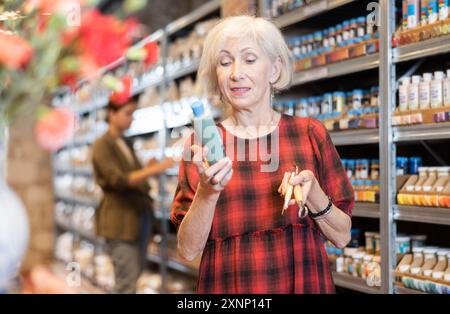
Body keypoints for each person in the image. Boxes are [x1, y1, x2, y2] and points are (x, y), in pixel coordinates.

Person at [170, 16, 354, 294]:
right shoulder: (202, 146)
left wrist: (314, 193)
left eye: (250, 59)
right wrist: (207, 193)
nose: (236, 73)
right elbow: (187, 250)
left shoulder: (309, 134)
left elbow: (342, 236)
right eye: (224, 62)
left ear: (274, 69)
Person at [92, 98, 174, 293]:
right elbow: (118, 180)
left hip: (138, 218)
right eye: (127, 113)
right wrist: (154, 171)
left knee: (134, 277)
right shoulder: (102, 144)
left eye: (133, 114)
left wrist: (148, 168)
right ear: (111, 114)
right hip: (120, 221)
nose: (131, 119)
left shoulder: (125, 142)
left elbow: (133, 176)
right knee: (126, 282)